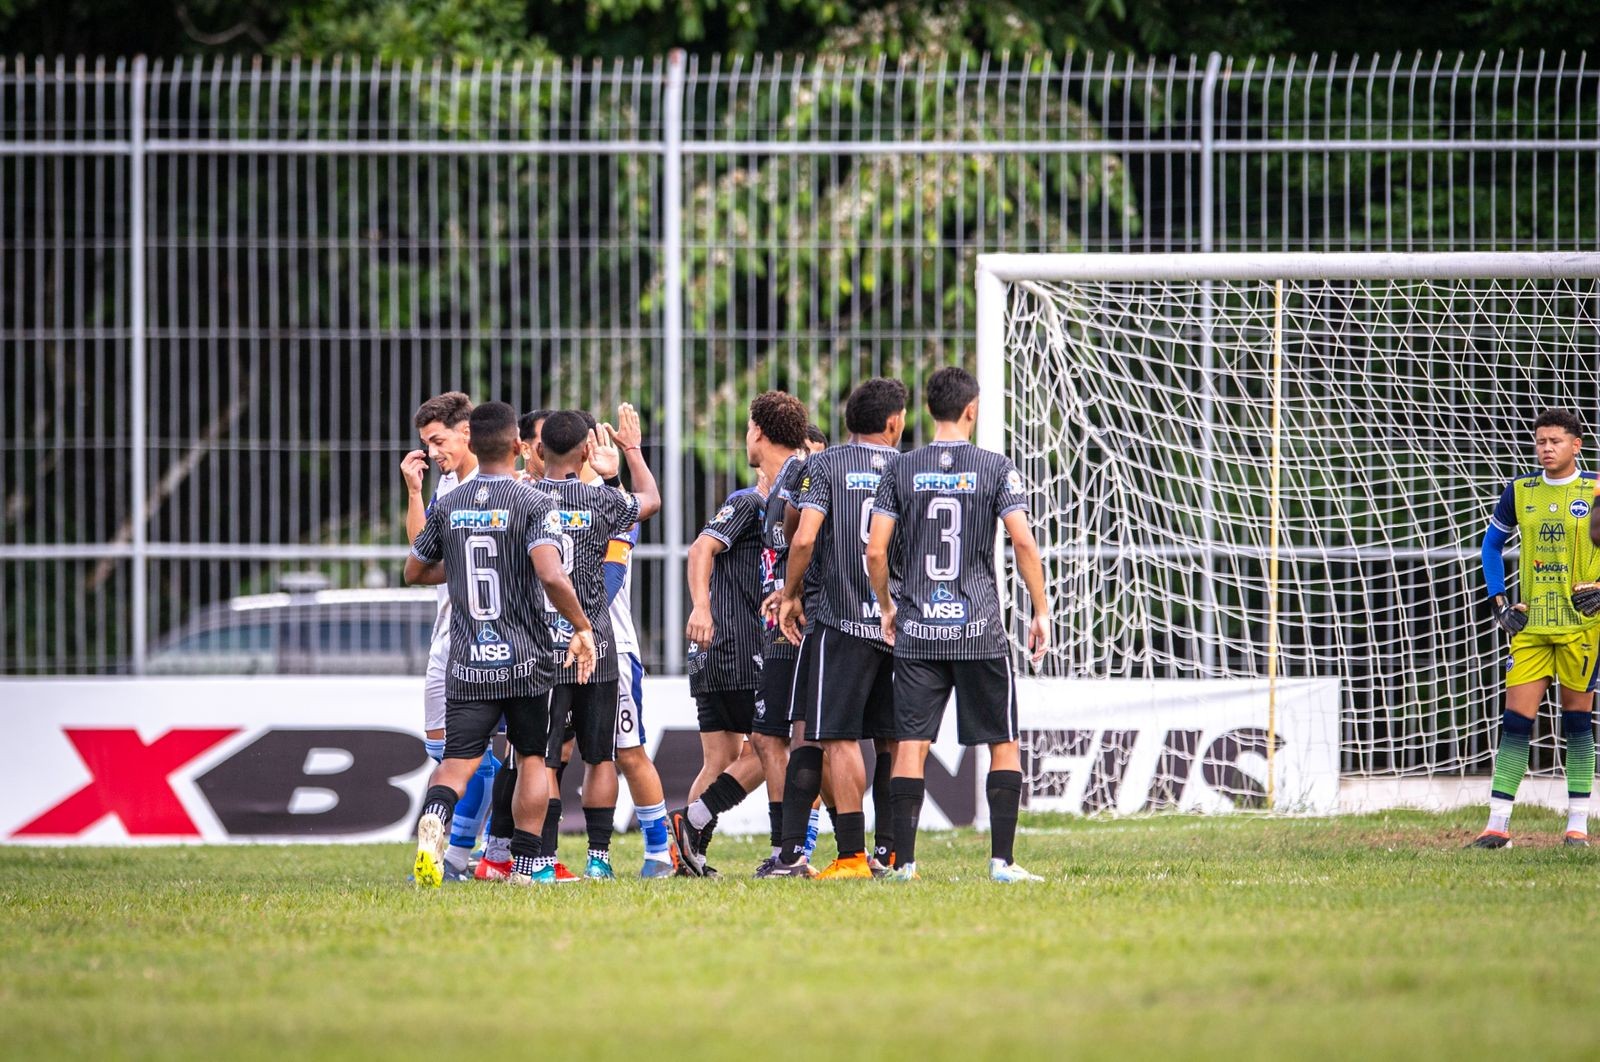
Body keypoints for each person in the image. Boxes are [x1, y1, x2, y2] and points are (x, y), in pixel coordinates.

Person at [865, 366, 1052, 883]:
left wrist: (887, 605)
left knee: (911, 745)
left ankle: (904, 863)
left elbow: (875, 550)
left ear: (928, 411)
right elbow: (1023, 542)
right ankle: (1002, 863)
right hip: (979, 629)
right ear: (972, 409)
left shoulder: (899, 470)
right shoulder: (995, 467)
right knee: (1002, 741)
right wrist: (1040, 610)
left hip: (919, 630)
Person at [404, 401, 596, 887]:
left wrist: (463, 566)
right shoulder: (534, 502)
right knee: (532, 757)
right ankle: (527, 866)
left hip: (468, 659)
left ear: (474, 442)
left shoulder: (448, 504)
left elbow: (414, 571)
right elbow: (551, 574)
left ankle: (433, 827)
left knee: (456, 763)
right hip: (526, 658)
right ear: (517, 446)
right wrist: (582, 626)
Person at [770, 379, 907, 879]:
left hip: (839, 621)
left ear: (850, 422)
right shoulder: (907, 468)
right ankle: (891, 853)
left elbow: (802, 537)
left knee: (830, 735)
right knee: (891, 739)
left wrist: (790, 593)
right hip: (897, 624)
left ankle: (849, 853)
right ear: (894, 423)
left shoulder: (824, 465)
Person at [533, 410, 661, 879]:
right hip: (598, 644)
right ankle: (599, 858)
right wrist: (626, 457)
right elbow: (649, 499)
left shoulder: (523, 498)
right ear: (587, 451)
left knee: (542, 759)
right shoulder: (601, 501)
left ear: (538, 450)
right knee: (600, 755)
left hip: (542, 646)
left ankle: (541, 860)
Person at [1471, 408, 1600, 848]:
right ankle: (1497, 826)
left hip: (1583, 626)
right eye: (1540, 441)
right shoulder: (1520, 490)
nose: (1546, 448)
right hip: (1531, 625)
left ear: (1576, 445)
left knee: (1578, 723)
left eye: (1555, 441)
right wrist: (1499, 602)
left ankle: (1577, 825)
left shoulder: (1596, 490)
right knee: (1515, 722)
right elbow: (1491, 545)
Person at [401, 391, 495, 881]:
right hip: (447, 637)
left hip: (488, 639)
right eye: (426, 443)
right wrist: (416, 493)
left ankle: (465, 854)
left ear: (467, 432)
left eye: (439, 441)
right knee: (444, 754)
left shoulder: (495, 483)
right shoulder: (447, 485)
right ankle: (470, 853)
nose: (433, 451)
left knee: (476, 756)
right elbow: (421, 553)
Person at [672, 432, 772, 877]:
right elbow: (701, 548)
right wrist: (701, 607)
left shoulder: (778, 510)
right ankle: (694, 821)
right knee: (773, 746)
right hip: (735, 644)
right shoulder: (750, 504)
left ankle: (690, 856)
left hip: (717, 647)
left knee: (720, 760)